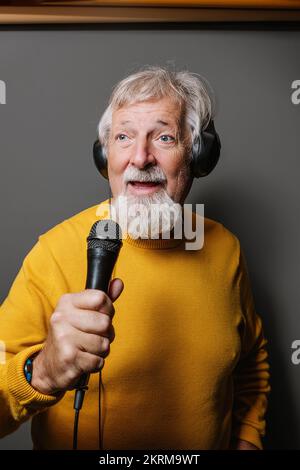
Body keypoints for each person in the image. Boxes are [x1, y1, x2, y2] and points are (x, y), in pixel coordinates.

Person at [0, 66, 270, 450]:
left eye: (163, 137)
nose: (140, 157)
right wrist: (41, 372)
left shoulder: (225, 248)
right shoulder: (54, 251)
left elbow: (250, 365)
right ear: (104, 155)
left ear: (197, 154)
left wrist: (249, 441)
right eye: (123, 137)